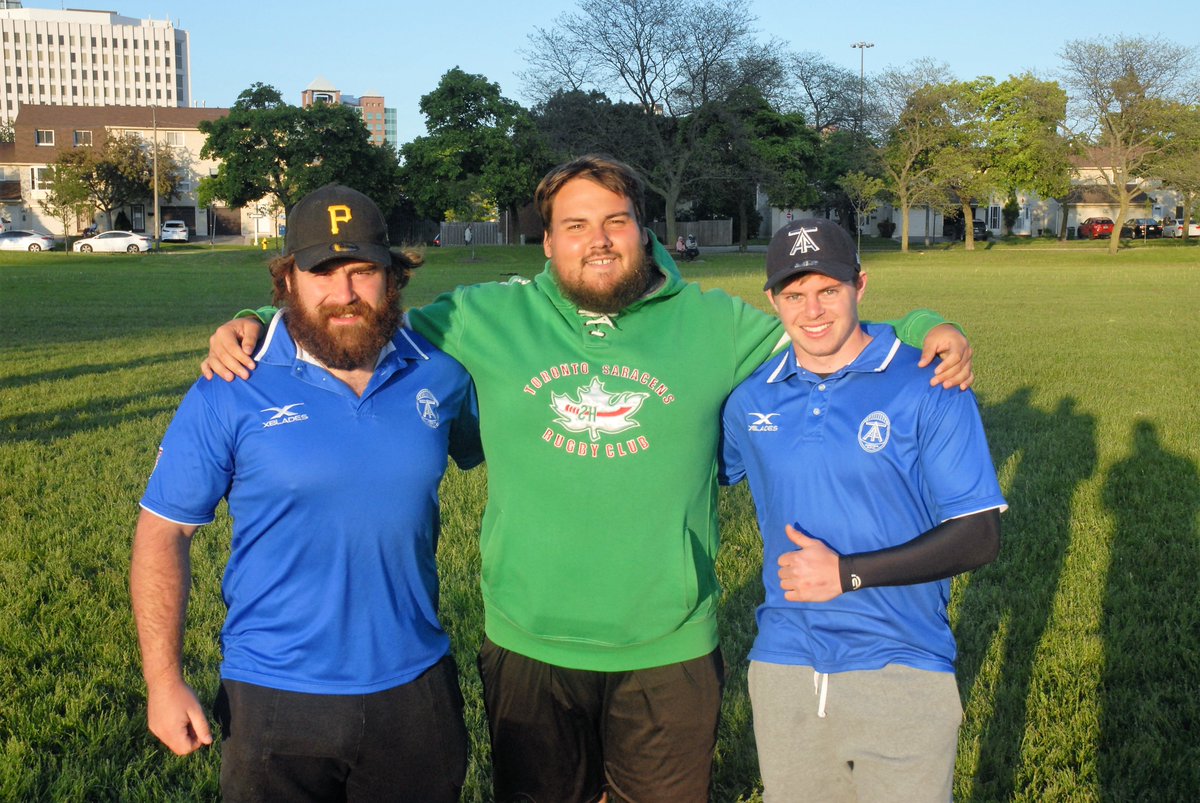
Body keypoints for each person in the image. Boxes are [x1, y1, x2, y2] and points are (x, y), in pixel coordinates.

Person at [202, 156, 975, 803]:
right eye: (574, 225)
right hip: (530, 644)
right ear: (546, 242)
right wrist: (251, 318)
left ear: (643, 230)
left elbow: (825, 323)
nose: (596, 240)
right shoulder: (481, 319)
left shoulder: (714, 325)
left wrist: (926, 326)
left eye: (614, 221)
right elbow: (351, 314)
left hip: (667, 648)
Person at [131, 184, 482, 802]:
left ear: (393, 278)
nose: (344, 294)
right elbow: (165, 532)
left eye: (362, 271)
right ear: (287, 280)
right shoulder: (230, 384)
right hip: (272, 696)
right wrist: (163, 681)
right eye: (322, 272)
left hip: (415, 686)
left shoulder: (443, 372)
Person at [718, 219, 1006, 802]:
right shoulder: (751, 399)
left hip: (900, 664)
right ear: (772, 300)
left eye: (829, 290)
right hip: (785, 665)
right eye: (795, 295)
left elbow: (979, 535)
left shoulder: (927, 381)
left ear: (860, 285)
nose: (813, 310)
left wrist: (848, 572)